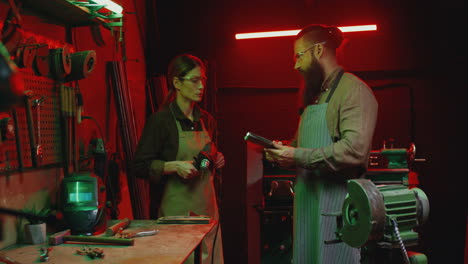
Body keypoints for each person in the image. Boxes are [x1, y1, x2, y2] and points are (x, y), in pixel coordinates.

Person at [265, 24, 378, 264]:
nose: (295, 65)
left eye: (299, 55)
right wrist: (283, 151)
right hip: (306, 210)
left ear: (318, 51)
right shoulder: (315, 96)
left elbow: (354, 151)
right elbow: (300, 147)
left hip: (336, 213)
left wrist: (297, 155)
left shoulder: (353, 91)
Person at [132, 54, 224, 263]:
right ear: (176, 83)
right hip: (176, 214)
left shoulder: (207, 120)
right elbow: (139, 166)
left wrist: (216, 159)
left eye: (203, 80)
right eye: (194, 80)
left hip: (207, 211)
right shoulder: (160, 121)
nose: (201, 86)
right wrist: (173, 166)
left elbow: (205, 158)